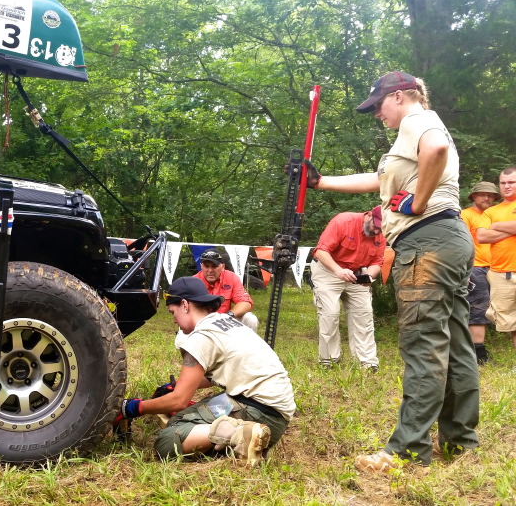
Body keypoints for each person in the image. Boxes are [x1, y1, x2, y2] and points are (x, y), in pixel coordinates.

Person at [302, 71, 479, 472]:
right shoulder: (409, 135)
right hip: (449, 239)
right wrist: (321, 182)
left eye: (378, 106)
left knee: (424, 346)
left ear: (400, 96)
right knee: (455, 343)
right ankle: (460, 441)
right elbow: (379, 181)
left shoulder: (418, 120)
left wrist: (417, 202)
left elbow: (435, 150)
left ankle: (407, 451)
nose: (376, 115)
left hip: (426, 242)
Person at [114, 276, 296, 466]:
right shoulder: (225, 322)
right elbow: (223, 372)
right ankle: (243, 434)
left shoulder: (200, 337)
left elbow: (179, 400)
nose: (174, 321)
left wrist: (133, 407)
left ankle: (240, 434)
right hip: (276, 414)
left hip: (259, 411)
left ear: (185, 305)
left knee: (167, 441)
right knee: (180, 419)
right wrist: (178, 385)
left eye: (172, 312)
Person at [311, 206, 386, 370]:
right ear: (368, 216)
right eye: (376, 226)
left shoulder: (382, 233)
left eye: (381, 228)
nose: (377, 231)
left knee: (364, 314)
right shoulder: (343, 221)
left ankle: (367, 362)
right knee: (330, 314)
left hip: (356, 274)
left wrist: (370, 276)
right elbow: (321, 251)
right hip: (328, 270)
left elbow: (377, 261)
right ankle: (329, 361)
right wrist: (338, 271)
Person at [460, 181, 502, 363]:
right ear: (474, 196)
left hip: (497, 268)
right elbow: (461, 244)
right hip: (475, 268)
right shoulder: (465, 215)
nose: (487, 198)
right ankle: (478, 355)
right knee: (478, 309)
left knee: (493, 309)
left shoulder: (492, 216)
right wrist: (465, 270)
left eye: (491, 195)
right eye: (483, 194)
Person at [477, 167, 516, 351]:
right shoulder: (490, 212)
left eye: (511, 182)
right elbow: (482, 237)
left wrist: (498, 226)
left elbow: (489, 232)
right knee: (511, 322)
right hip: (502, 274)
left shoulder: (493, 218)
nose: (507, 186)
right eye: (503, 183)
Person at [194, 248, 259, 331]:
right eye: (206, 266)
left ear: (222, 266)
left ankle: (244, 344)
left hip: (226, 321)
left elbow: (245, 303)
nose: (210, 270)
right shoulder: (194, 281)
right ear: (201, 266)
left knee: (250, 319)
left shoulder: (231, 277)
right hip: (201, 323)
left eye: (214, 266)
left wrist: (229, 315)